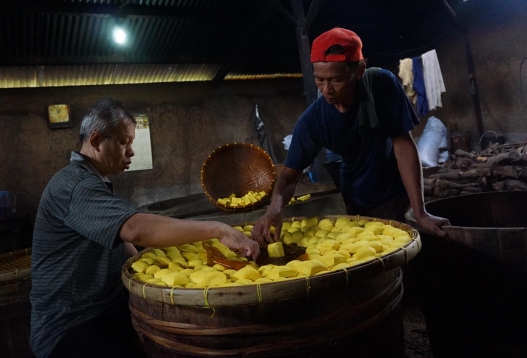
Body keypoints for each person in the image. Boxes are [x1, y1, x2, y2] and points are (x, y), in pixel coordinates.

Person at [30, 97, 260, 358]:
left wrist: (161, 266)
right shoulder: (75, 186)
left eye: (131, 143)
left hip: (105, 309)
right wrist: (220, 230)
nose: (130, 152)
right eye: (123, 142)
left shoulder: (93, 181)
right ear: (95, 141)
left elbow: (122, 239)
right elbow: (135, 229)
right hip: (70, 325)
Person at [252, 27, 450, 247]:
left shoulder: (380, 86)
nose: (327, 89)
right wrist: (274, 209)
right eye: (319, 80)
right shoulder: (314, 120)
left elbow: (403, 143)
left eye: (336, 80)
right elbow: (289, 177)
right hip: (354, 197)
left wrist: (420, 212)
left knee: (409, 254)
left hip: (396, 193)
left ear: (359, 71)